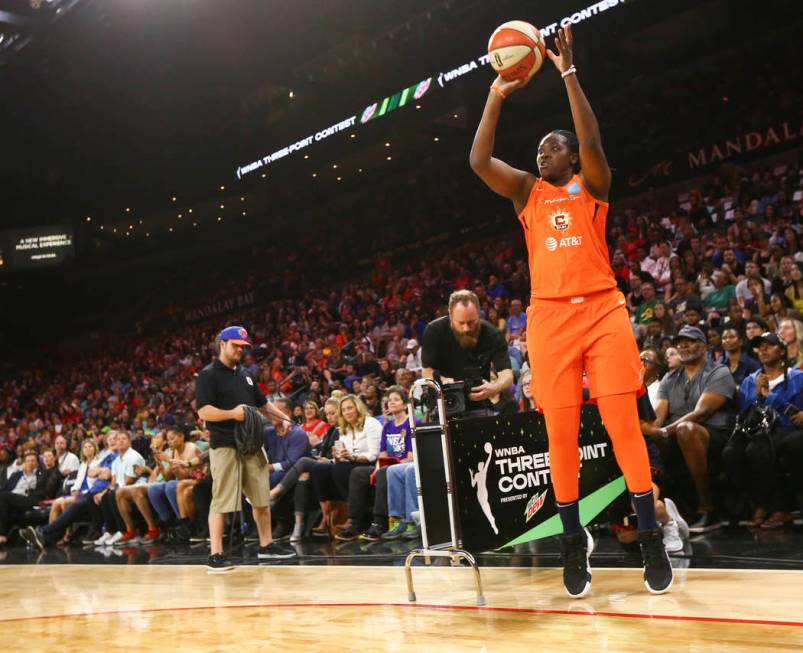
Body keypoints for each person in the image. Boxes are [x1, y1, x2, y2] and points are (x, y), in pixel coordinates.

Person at [469, 25, 672, 596]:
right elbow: (479, 158)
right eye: (540, 150)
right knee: (558, 435)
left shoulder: (593, 185)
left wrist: (566, 73)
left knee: (621, 425)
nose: (543, 152)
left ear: (571, 156)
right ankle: (571, 542)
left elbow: (592, 141)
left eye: (552, 147)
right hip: (550, 320)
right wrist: (497, 94)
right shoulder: (526, 192)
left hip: (604, 312)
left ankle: (650, 537)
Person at [195, 325, 296, 572]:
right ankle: (215, 555)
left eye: (244, 347)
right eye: (236, 346)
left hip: (252, 443)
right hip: (226, 445)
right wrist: (232, 413)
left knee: (261, 497)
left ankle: (266, 546)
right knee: (222, 500)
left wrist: (281, 418)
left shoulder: (245, 374)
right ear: (222, 344)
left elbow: (262, 403)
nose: (241, 350)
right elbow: (203, 411)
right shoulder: (208, 375)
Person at [653, 326, 736, 533]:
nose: (683, 345)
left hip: (714, 434)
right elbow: (657, 419)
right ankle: (657, 509)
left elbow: (701, 413)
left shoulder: (719, 371)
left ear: (704, 347)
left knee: (686, 429)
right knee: (650, 439)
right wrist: (647, 430)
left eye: (689, 341)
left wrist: (663, 432)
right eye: (679, 342)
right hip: (676, 434)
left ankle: (707, 509)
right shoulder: (669, 378)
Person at [728, 333, 803, 529]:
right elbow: (745, 411)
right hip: (758, 428)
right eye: (760, 347)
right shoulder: (750, 380)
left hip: (787, 427)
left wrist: (768, 396)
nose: (763, 350)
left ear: (782, 351)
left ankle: (780, 508)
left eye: (769, 346)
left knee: (759, 450)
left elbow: (794, 416)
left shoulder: (798, 377)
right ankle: (759, 503)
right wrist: (757, 396)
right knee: (731, 454)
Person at [421, 290, 514, 416]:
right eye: (461, 323)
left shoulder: (493, 335)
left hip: (479, 403)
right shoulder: (434, 331)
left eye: (471, 322)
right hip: (443, 403)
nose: (466, 328)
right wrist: (443, 380)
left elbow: (507, 374)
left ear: (479, 314)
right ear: (450, 314)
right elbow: (426, 370)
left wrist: (495, 387)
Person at [310, 395, 381, 538]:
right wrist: (338, 456)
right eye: (344, 410)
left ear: (358, 408)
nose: (347, 412)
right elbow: (343, 455)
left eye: (350, 408)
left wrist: (351, 457)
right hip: (351, 463)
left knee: (345, 470)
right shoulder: (344, 429)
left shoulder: (370, 423)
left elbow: (374, 454)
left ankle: (354, 520)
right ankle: (327, 517)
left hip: (372, 463)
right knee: (319, 469)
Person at [0, 450, 61, 545]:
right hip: (10, 499)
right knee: (3, 498)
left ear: (37, 463)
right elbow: (4, 488)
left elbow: (46, 490)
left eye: (33, 460)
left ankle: (2, 533)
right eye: (28, 460)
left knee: (3, 497)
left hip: (29, 499)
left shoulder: (41, 474)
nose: (30, 463)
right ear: (24, 462)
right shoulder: (16, 475)